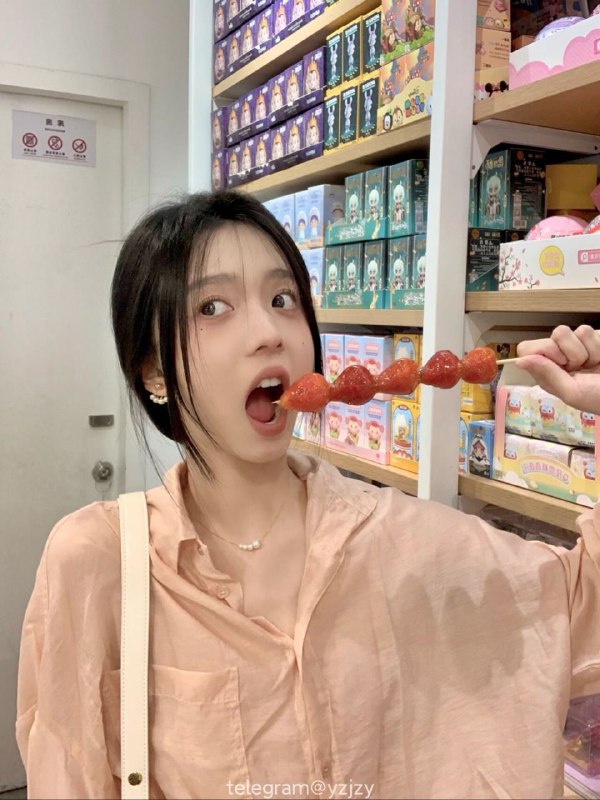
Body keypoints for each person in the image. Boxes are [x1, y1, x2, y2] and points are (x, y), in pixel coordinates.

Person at [16, 190, 600, 800]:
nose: (269, 332)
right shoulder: (98, 563)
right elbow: (68, 773)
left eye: (282, 300)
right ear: (153, 371)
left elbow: (579, 610)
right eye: (213, 307)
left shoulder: (406, 540)